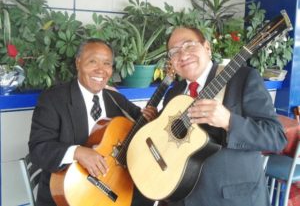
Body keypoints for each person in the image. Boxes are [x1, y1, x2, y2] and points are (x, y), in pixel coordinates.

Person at [159, 27, 287, 206]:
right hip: (182, 198)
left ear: (207, 47)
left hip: (231, 199)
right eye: (174, 51)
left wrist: (229, 121)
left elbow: (276, 138)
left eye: (189, 45)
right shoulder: (173, 94)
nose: (182, 54)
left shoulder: (243, 79)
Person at [28, 38, 157, 206]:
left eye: (107, 64)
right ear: (78, 62)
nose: (101, 70)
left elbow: (141, 129)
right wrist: (78, 152)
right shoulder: (53, 99)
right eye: (92, 61)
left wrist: (151, 121)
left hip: (111, 189)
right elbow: (38, 148)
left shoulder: (116, 99)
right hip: (68, 194)